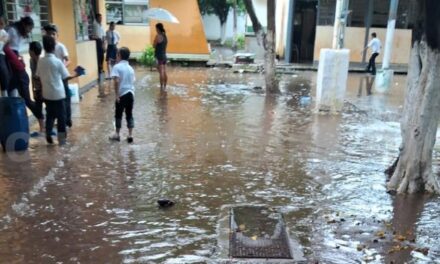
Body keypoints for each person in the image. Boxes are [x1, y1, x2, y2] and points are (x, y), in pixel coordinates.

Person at [36, 36, 78, 145]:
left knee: (50, 115)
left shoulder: (40, 62)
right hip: (58, 94)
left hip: (47, 93)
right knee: (61, 117)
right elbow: (66, 77)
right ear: (54, 47)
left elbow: (38, 77)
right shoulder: (57, 62)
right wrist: (75, 74)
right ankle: (62, 140)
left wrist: (40, 90)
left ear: (44, 47)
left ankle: (48, 133)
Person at [6, 16, 45, 131]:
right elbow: (5, 46)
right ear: (24, 25)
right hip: (14, 68)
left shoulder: (18, 33)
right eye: (29, 28)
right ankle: (18, 127)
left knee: (27, 101)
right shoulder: (12, 31)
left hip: (19, 72)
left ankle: (41, 121)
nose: (29, 31)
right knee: (12, 98)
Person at [44, 24, 73, 128]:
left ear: (57, 35)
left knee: (66, 97)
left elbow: (68, 60)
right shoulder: (46, 49)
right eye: (49, 34)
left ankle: (67, 119)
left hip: (62, 76)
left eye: (53, 34)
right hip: (52, 78)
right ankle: (59, 120)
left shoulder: (61, 46)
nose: (51, 36)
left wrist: (62, 66)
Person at [109, 47, 135, 143]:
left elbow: (116, 81)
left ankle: (117, 134)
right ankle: (130, 135)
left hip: (122, 94)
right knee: (129, 114)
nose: (116, 56)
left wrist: (116, 95)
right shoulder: (131, 68)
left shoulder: (117, 67)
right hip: (131, 94)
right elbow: (132, 82)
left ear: (119, 55)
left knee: (118, 114)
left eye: (117, 54)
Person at [29, 41, 44, 135]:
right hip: (37, 88)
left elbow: (44, 77)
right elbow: (32, 75)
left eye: (30, 50)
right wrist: (33, 89)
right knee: (38, 108)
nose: (29, 52)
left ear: (33, 51)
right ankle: (42, 128)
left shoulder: (42, 62)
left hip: (45, 88)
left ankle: (48, 127)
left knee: (51, 108)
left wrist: (42, 90)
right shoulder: (31, 61)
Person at [153, 23, 168, 91]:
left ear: (158, 29)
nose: (155, 29)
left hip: (159, 56)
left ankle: (161, 87)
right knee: (164, 71)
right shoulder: (165, 36)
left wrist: (154, 41)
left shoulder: (158, 36)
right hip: (164, 55)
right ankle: (165, 86)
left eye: (156, 28)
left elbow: (154, 45)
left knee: (161, 72)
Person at [0, 16, 9, 97]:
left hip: (2, 56)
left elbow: (4, 43)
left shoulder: (4, 33)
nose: (1, 24)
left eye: (2, 23)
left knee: (4, 75)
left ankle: (5, 95)